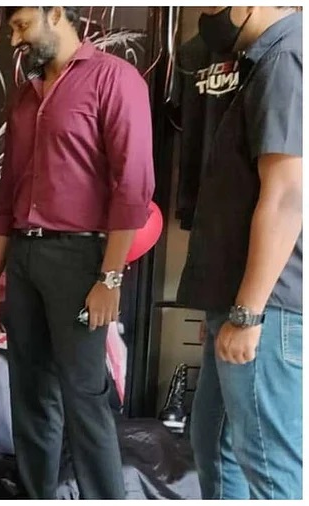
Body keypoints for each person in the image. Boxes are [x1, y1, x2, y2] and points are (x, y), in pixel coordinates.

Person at [0, 6, 155, 499]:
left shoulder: (114, 79)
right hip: (26, 261)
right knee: (30, 394)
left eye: (21, 26)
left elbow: (134, 186)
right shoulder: (24, 97)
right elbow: (8, 196)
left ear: (55, 13)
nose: (15, 40)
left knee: (85, 397)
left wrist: (110, 278)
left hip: (82, 261)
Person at [177, 7, 302, 500]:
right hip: (235, 303)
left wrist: (248, 314)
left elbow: (289, 195)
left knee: (271, 470)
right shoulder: (257, 60)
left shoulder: (287, 57)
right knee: (212, 445)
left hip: (263, 309)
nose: (207, 14)